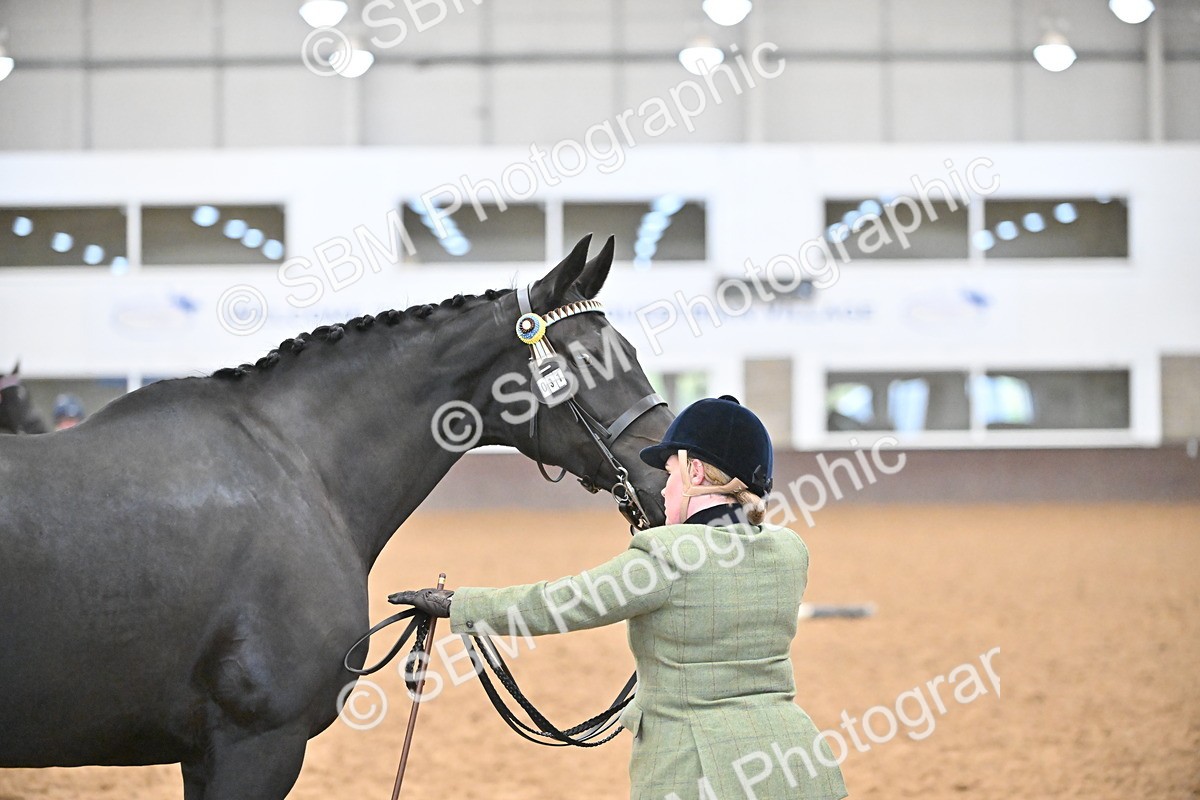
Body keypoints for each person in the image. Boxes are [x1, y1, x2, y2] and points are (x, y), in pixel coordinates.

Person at [390, 396, 848, 800]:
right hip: (796, 761)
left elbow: (562, 603)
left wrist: (460, 604)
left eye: (669, 474)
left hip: (696, 770)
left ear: (695, 473)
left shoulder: (667, 555)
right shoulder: (790, 552)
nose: (664, 488)